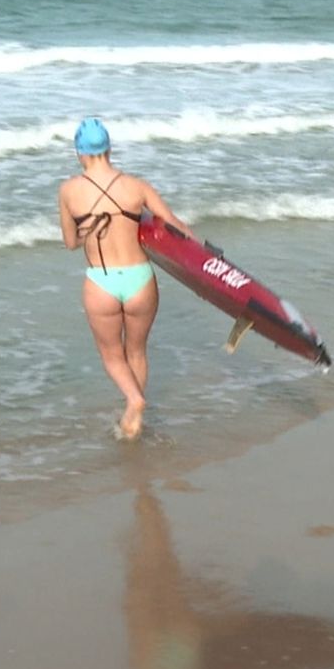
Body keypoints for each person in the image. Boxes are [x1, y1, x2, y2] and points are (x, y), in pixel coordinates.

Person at [58, 118, 194, 440]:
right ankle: (134, 419)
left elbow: (70, 242)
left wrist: (88, 227)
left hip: (101, 281)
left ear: (80, 153)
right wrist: (209, 258)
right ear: (109, 149)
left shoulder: (68, 191)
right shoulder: (137, 186)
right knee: (137, 351)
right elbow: (174, 225)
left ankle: (133, 400)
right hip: (140, 280)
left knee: (111, 355)